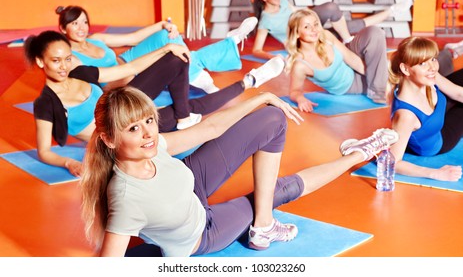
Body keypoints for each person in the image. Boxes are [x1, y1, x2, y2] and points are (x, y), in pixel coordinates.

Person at [80, 82, 399, 256]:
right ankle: (359, 155)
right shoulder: (125, 197)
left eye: (148, 120)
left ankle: (262, 223)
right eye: (133, 129)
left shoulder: (153, 147)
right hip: (202, 233)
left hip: (191, 182)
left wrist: (262, 97)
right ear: (108, 138)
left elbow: (209, 129)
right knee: (279, 190)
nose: (148, 133)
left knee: (273, 118)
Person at [24, 30, 285, 177]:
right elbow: (44, 151)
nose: (64, 66)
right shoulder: (45, 103)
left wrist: (166, 47)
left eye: (67, 58)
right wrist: (69, 163)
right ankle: (250, 82)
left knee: (177, 58)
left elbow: (130, 69)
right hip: (118, 135)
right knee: (187, 112)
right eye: (56, 61)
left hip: (122, 105)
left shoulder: (78, 71)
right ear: (40, 62)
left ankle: (185, 115)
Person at [56, 5, 257, 93]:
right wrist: (153, 57)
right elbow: (106, 78)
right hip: (125, 78)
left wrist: (163, 25)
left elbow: (132, 38)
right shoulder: (69, 57)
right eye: (75, 24)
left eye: (84, 22)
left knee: (166, 37)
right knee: (176, 54)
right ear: (63, 28)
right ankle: (228, 45)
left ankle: (200, 75)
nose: (82, 28)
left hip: (128, 59)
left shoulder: (96, 38)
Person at [381, 36, 463, 182]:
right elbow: (393, 162)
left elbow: (458, 93)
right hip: (439, 141)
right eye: (423, 63)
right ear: (405, 69)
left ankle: (451, 52)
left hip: (437, 113)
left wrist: (426, 64)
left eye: (433, 59)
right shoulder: (406, 116)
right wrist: (436, 173)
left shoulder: (427, 75)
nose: (432, 67)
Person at [285, 9, 389, 112]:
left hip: (353, 59)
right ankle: (379, 89)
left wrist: (380, 76)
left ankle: (379, 89)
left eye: (316, 24)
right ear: (296, 33)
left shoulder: (325, 36)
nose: (314, 29)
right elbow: (295, 91)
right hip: (351, 86)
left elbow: (352, 59)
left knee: (375, 32)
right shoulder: (300, 65)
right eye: (307, 27)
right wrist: (300, 99)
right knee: (393, 80)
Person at [251, 0, 412, 60]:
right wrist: (273, 57)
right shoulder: (266, 20)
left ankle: (347, 39)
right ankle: (392, 11)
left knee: (331, 8)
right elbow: (256, 50)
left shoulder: (284, 2)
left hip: (308, 25)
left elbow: (299, 13)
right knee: (353, 25)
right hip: (301, 38)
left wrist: (313, 20)